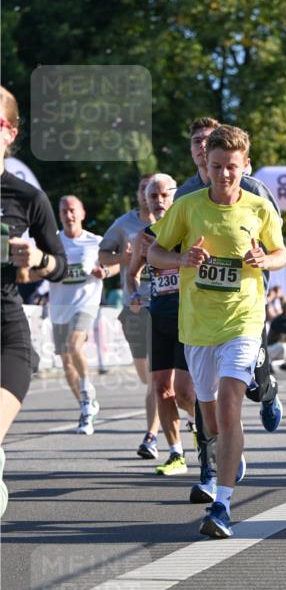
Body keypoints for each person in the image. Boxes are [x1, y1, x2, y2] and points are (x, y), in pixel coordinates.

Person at [148, 124, 286, 539]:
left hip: (242, 319)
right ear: (204, 165)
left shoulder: (259, 208)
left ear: (245, 166)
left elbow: (281, 252)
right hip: (197, 326)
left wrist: (265, 260)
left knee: (229, 405)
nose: (224, 174)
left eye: (232, 167)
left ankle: (222, 506)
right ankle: (229, 449)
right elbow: (154, 252)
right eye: (217, 166)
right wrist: (181, 259)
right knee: (209, 420)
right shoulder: (187, 207)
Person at [175, 117, 284, 434]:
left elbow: (277, 245)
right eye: (197, 141)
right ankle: (213, 452)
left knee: (253, 385)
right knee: (208, 392)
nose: (202, 145)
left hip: (245, 304)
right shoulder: (185, 195)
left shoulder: (253, 190)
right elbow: (167, 244)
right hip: (201, 306)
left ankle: (267, 394)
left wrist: (264, 260)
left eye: (207, 139)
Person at [0, 86, 67, 515]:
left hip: (5, 335)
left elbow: (60, 265)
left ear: (10, 132)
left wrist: (39, 259)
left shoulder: (27, 198)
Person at [127, 173, 197, 474]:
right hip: (158, 317)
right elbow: (132, 274)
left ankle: (202, 423)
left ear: (175, 197)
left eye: (164, 195)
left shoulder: (188, 229)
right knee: (160, 388)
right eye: (152, 196)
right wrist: (134, 295)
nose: (158, 201)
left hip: (187, 318)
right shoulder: (143, 236)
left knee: (184, 392)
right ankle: (176, 453)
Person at [98, 174, 161, 456]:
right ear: (140, 195)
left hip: (165, 303)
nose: (151, 196)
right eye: (144, 189)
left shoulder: (175, 220)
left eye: (156, 191)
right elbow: (103, 255)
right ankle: (168, 403)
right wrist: (122, 258)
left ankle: (152, 436)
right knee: (146, 375)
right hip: (134, 307)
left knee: (156, 376)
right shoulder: (124, 224)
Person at [49, 195, 115, 434]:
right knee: (67, 363)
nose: (69, 215)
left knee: (74, 344)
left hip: (86, 304)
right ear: (59, 215)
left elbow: (117, 261)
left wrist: (105, 271)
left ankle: (88, 391)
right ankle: (87, 406)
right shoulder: (53, 242)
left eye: (72, 210)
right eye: (64, 211)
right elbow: (41, 267)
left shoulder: (95, 242)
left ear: (82, 213)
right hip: (59, 308)